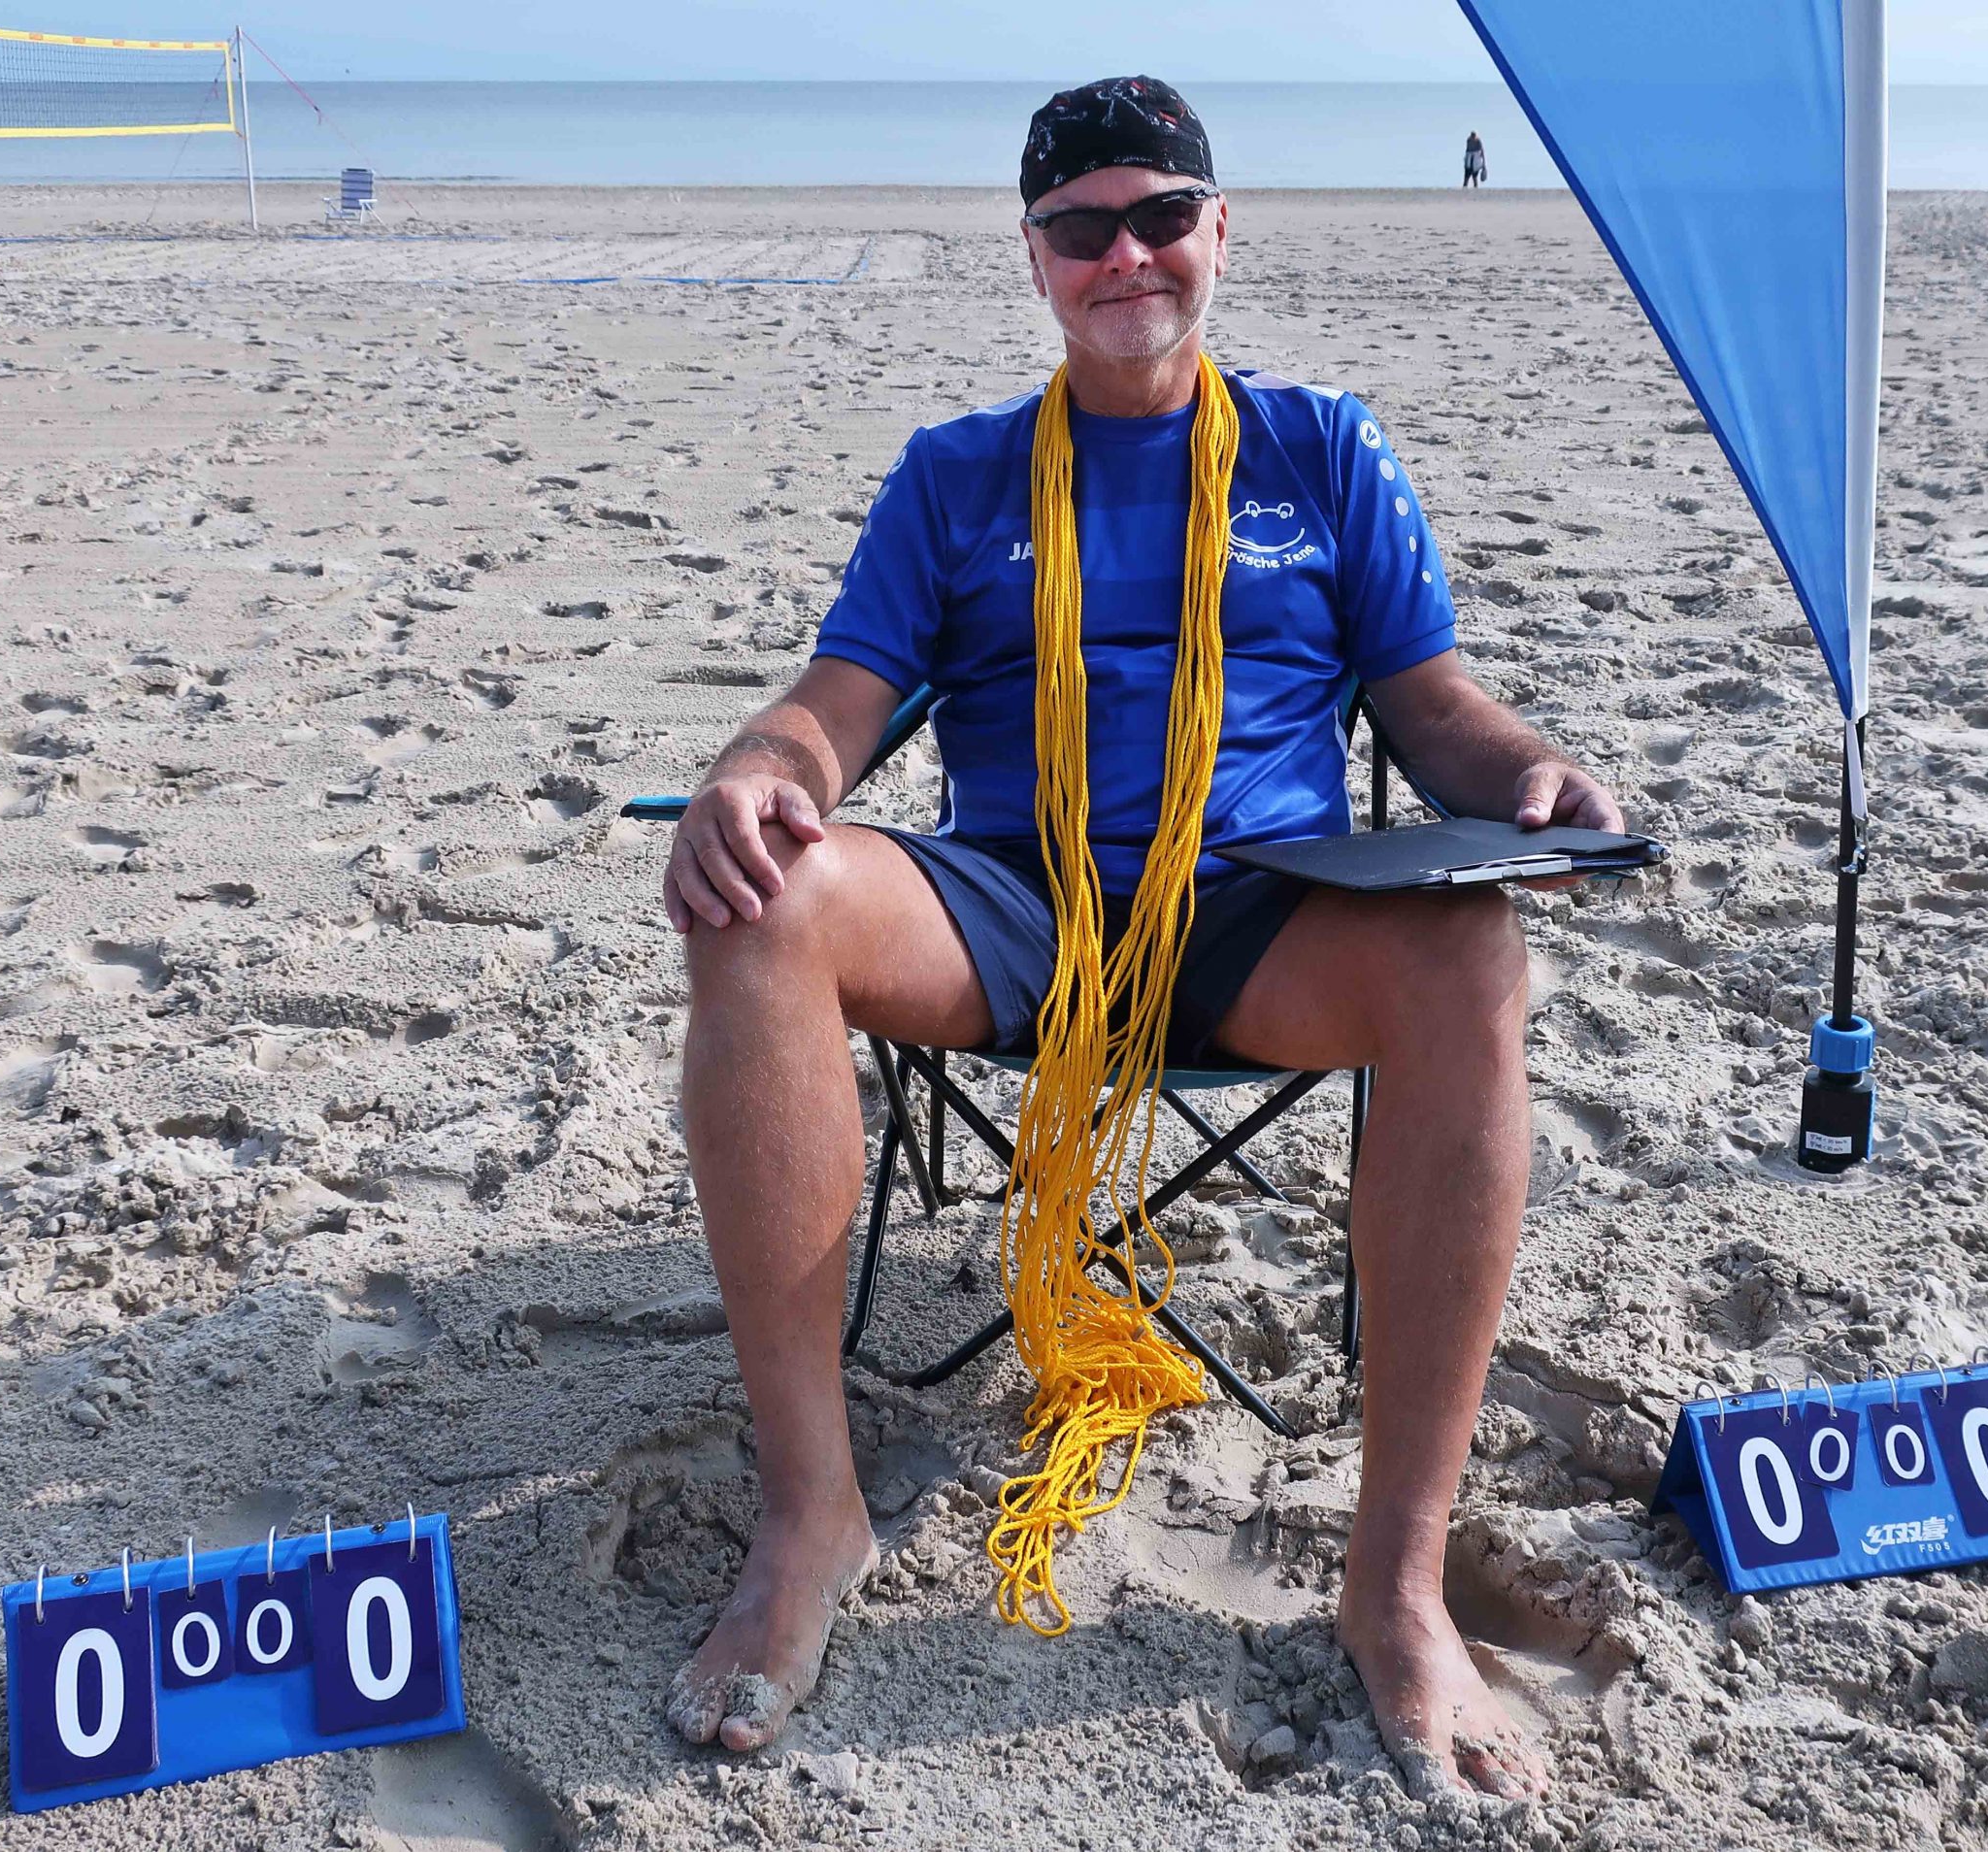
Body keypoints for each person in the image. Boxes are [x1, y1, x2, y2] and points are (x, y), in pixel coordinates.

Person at [657, 74, 1624, 1802]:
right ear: (1034, 257)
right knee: (762, 903)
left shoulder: (1324, 450)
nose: (1127, 255)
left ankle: (1396, 1580)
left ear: (1218, 231)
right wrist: (758, 773)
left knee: (1474, 950)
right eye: (1082, 227)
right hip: (1013, 905)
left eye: (1161, 216)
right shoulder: (955, 476)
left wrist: (1533, 774)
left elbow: (1434, 710)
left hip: (1256, 911)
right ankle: (811, 1518)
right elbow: (835, 707)